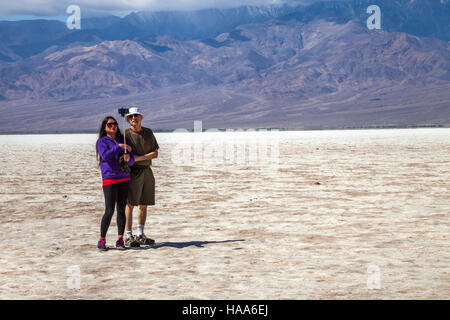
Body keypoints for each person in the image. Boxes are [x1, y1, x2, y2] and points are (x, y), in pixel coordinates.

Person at [96, 116, 135, 251]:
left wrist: (128, 158)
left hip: (124, 178)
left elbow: (131, 161)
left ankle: (120, 239)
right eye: (110, 124)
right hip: (110, 178)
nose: (113, 126)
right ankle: (102, 239)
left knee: (121, 209)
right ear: (105, 127)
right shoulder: (102, 141)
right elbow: (105, 155)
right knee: (109, 210)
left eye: (115, 124)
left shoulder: (123, 140)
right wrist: (118, 147)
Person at [124, 107, 159, 247]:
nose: (134, 118)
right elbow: (125, 157)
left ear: (141, 118)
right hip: (133, 172)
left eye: (136, 116)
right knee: (130, 203)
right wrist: (132, 159)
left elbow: (155, 153)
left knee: (144, 203)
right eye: (131, 116)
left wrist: (137, 158)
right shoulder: (125, 134)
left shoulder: (148, 133)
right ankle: (128, 235)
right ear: (128, 120)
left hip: (147, 171)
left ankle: (140, 234)